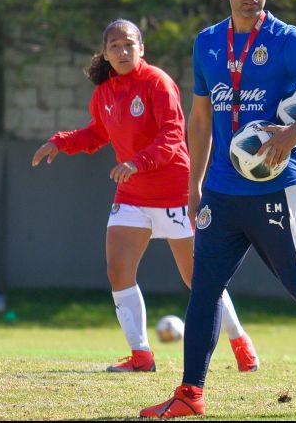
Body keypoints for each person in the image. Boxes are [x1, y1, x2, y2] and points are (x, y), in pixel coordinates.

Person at [140, 0, 296, 419]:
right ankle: (190, 395)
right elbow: (199, 118)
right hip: (220, 192)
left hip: (277, 190)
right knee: (204, 290)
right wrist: (193, 186)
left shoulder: (286, 40)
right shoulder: (207, 43)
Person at [31, 19, 259, 373]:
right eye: (115, 46)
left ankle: (240, 342)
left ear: (141, 48)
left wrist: (137, 162)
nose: (122, 51)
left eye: (129, 44)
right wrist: (60, 142)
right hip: (133, 194)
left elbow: (172, 136)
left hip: (175, 193)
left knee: (199, 279)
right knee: (118, 270)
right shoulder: (104, 93)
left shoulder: (158, 82)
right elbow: (95, 135)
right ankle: (141, 355)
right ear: (105, 53)